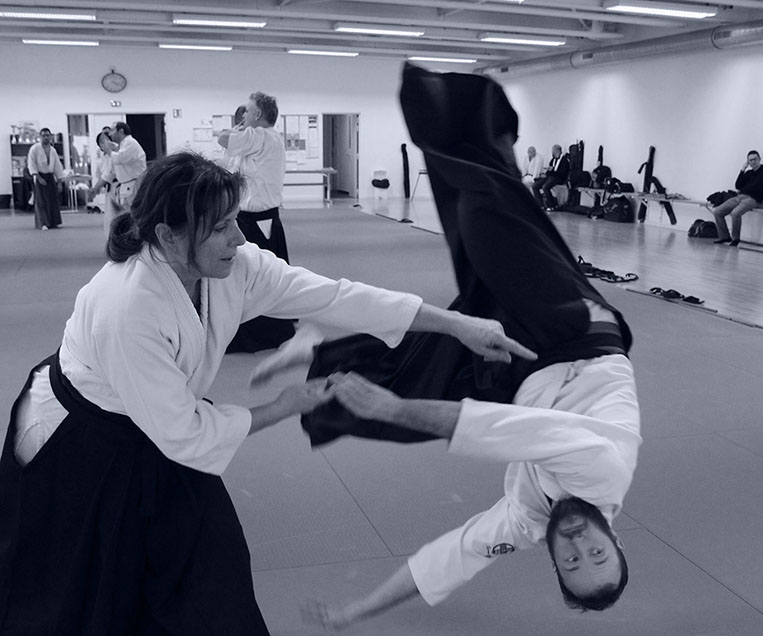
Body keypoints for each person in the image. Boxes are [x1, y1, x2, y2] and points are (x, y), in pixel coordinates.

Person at [0, 151, 534, 635]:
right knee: (83, 591)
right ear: (168, 236)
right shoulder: (128, 305)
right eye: (220, 227)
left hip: (163, 425)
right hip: (85, 442)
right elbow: (184, 434)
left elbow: (336, 297)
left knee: (212, 574)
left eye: (235, 220)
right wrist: (283, 406)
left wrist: (457, 325)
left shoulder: (233, 267)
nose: (239, 238)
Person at [298, 63, 640, 630]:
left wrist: (353, 613)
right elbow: (511, 431)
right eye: (597, 554)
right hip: (575, 335)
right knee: (484, 215)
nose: (580, 545)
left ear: (554, 563)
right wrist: (398, 412)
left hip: (520, 369)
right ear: (616, 539)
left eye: (573, 562)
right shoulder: (603, 473)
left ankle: (313, 352)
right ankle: (474, 114)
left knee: (408, 372)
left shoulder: (528, 522)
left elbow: (451, 560)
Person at [218, 91, 295, 352]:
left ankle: (263, 332)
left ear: (258, 114)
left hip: (260, 222)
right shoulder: (258, 139)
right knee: (250, 275)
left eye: (248, 111)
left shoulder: (262, 136)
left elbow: (223, 138)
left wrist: (236, 129)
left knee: (258, 277)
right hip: (248, 218)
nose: (244, 116)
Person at [710, 150, 763, 247]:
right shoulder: (748, 173)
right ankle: (725, 236)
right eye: (750, 160)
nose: (753, 162)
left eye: (755, 159)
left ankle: (735, 239)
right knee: (717, 212)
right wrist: (742, 170)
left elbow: (756, 188)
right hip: (739, 197)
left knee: (735, 213)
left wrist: (744, 189)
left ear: (759, 159)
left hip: (752, 199)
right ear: (748, 162)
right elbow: (738, 185)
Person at [100, 121, 147, 209]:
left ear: (121, 131)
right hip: (126, 186)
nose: (110, 134)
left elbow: (120, 158)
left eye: (112, 130)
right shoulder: (122, 145)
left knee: (131, 212)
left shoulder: (131, 143)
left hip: (133, 186)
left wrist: (108, 150)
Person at [26, 127, 64, 230]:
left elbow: (57, 166)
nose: (46, 137)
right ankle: (43, 223)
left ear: (51, 137)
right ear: (40, 137)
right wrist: (38, 177)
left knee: (52, 199)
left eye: (48, 135)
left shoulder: (53, 150)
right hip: (39, 176)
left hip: (50, 176)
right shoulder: (34, 149)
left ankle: (53, 222)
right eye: (44, 136)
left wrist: (59, 182)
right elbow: (31, 164)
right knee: (41, 201)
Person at [89, 130, 118, 235]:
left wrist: (95, 189)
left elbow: (108, 174)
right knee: (109, 218)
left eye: (105, 140)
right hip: (108, 188)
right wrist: (98, 188)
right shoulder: (102, 158)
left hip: (117, 187)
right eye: (101, 142)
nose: (104, 144)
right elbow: (100, 175)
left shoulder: (116, 154)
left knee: (116, 217)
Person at [531, 144, 570, 210]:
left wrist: (552, 171)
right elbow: (549, 171)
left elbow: (562, 173)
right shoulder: (553, 160)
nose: (552, 152)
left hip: (558, 178)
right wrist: (545, 174)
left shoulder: (564, 161)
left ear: (557, 151)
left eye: (553, 151)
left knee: (545, 187)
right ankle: (540, 205)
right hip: (550, 177)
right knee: (535, 186)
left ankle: (551, 205)